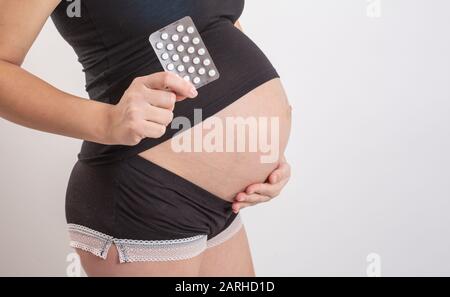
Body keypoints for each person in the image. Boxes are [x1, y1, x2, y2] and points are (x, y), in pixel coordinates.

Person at [0, 0, 292, 276]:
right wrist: (106, 121)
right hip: (145, 194)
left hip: (223, 205)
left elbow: (211, 29)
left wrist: (262, 148)